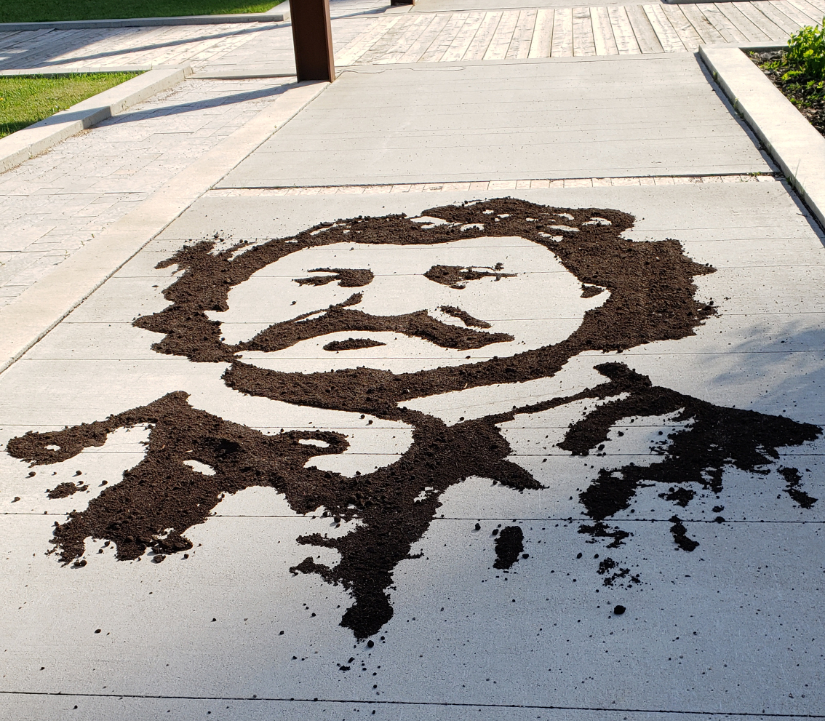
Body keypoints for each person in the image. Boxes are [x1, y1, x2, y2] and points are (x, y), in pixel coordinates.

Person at [8, 198, 819, 640]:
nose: (387, 305)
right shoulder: (76, 461)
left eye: (467, 276)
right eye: (327, 280)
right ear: (214, 310)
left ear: (597, 298)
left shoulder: (728, 466)